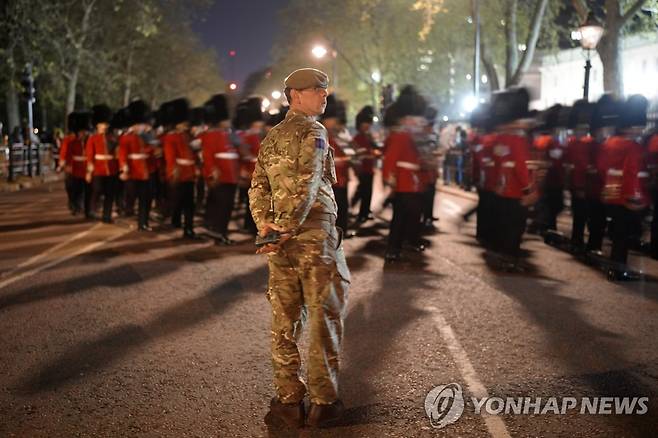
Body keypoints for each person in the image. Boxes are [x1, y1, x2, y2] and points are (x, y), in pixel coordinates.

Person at [248, 68, 350, 429]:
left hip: (280, 241)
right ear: (295, 95)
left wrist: (267, 228)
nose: (324, 95)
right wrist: (287, 228)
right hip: (311, 240)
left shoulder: (272, 136)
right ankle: (324, 403)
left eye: (325, 89)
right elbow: (308, 186)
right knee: (323, 318)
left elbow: (257, 186)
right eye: (317, 90)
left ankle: (289, 402)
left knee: (284, 322)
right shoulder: (314, 130)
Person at [382, 85, 427, 262]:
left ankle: (409, 241)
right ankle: (393, 248)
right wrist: (390, 180)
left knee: (413, 215)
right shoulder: (400, 135)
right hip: (403, 182)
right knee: (400, 217)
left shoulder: (416, 136)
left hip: (414, 182)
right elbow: (390, 160)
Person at [200, 94, 239, 245]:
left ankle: (221, 232)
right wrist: (212, 172)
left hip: (230, 175)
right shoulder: (211, 135)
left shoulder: (226, 134)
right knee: (222, 207)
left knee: (227, 206)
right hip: (221, 176)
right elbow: (208, 156)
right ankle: (218, 233)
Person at [162, 98, 198, 238]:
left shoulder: (188, 136)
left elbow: (192, 155)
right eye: (183, 123)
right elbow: (170, 157)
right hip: (179, 173)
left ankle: (188, 229)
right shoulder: (170, 137)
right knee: (178, 201)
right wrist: (173, 171)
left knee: (189, 203)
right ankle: (175, 220)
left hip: (189, 173)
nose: (186, 125)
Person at [118, 100, 155, 231]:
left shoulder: (148, 137)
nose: (141, 127)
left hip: (147, 170)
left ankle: (143, 223)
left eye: (142, 124)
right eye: (138, 124)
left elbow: (153, 153)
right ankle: (128, 211)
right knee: (132, 195)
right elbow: (122, 155)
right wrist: (124, 168)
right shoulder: (126, 138)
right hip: (133, 171)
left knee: (146, 198)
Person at [59, 112, 92, 218]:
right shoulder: (70, 140)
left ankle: (86, 209)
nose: (84, 133)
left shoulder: (89, 140)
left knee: (87, 190)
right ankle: (74, 204)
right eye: (82, 131)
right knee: (73, 188)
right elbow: (65, 152)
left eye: (85, 131)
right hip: (74, 167)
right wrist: (63, 163)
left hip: (85, 167)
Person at [351, 105, 377, 223]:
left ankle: (364, 211)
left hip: (369, 168)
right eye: (365, 124)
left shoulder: (369, 137)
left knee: (367, 191)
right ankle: (362, 213)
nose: (368, 126)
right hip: (363, 169)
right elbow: (357, 155)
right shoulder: (357, 138)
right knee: (364, 191)